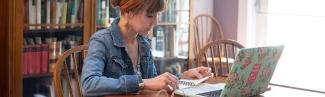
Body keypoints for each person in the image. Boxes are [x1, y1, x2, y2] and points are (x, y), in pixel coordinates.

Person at [81, 0, 211, 96]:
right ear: (128, 11)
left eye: (157, 15)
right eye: (150, 15)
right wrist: (142, 82)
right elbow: (88, 84)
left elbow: (153, 81)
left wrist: (183, 77)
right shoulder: (101, 40)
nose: (156, 22)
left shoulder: (143, 42)